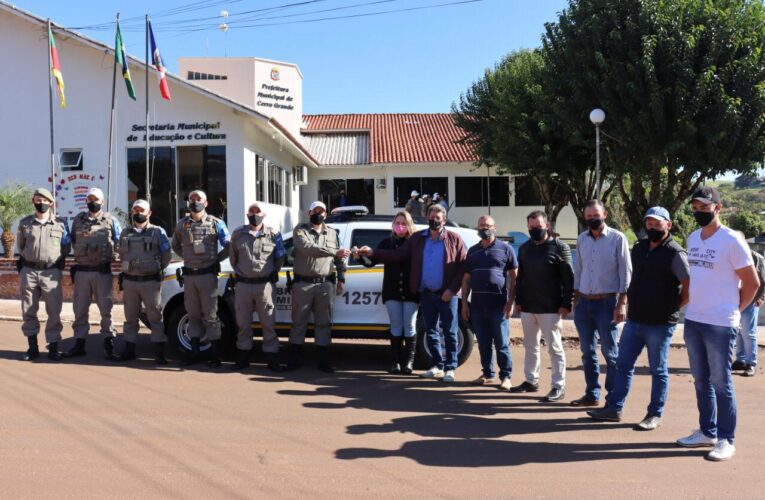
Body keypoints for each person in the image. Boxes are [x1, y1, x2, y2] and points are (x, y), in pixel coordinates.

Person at [676, 187, 760, 462]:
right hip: (695, 320)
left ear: (718, 208)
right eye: (696, 208)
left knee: (721, 382)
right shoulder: (693, 238)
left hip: (720, 324)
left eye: (704, 207)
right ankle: (706, 431)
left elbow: (753, 283)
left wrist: (735, 310)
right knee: (701, 381)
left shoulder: (732, 240)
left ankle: (726, 439)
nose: (699, 212)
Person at [587, 207, 689, 430]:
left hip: (660, 324)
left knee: (658, 370)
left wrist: (672, 308)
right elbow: (629, 279)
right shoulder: (640, 248)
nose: (652, 227)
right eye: (649, 223)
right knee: (623, 365)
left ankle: (654, 414)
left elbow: (689, 285)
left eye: (657, 223)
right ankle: (614, 408)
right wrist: (623, 303)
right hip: (635, 321)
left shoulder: (675, 252)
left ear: (668, 225)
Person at [360, 204, 467, 382]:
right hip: (426, 293)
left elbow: (463, 266)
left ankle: (450, 368)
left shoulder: (455, 239)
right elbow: (398, 254)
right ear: (427, 218)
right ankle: (436, 365)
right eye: (431, 218)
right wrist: (373, 252)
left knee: (449, 331)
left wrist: (452, 289)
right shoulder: (418, 238)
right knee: (431, 331)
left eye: (438, 218)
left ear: (444, 220)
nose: (434, 221)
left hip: (447, 294)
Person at [572, 199, 631, 406]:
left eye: (596, 215)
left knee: (610, 353)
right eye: (589, 216)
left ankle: (612, 399)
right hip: (584, 304)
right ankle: (592, 394)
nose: (593, 219)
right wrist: (576, 299)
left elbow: (626, 272)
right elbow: (578, 269)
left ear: (604, 214)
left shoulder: (617, 238)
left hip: (607, 304)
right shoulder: (581, 239)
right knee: (587, 353)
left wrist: (622, 303)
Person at [512, 210, 573, 402]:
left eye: (538, 227)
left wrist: (566, 303)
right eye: (531, 228)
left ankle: (558, 386)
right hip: (528, 307)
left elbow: (569, 279)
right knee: (530, 346)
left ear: (547, 226)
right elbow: (520, 277)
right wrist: (519, 301)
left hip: (551, 308)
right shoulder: (524, 248)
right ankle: (531, 381)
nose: (535, 230)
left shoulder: (560, 247)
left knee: (554, 348)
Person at [287, 201, 349, 373]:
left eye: (322, 212)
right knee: (299, 323)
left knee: (324, 323)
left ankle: (323, 362)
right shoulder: (300, 229)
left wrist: (341, 278)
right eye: (315, 211)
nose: (319, 214)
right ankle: (293, 360)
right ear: (309, 213)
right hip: (303, 284)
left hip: (325, 285)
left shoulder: (332, 233)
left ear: (326, 215)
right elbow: (307, 248)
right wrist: (333, 252)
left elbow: (339, 259)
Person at [171, 190, 231, 367]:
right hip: (190, 276)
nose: (195, 202)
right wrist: (188, 259)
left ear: (206, 203)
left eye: (199, 199)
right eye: (192, 199)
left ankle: (215, 354)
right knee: (193, 314)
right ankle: (194, 351)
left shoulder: (216, 223)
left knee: (211, 315)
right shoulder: (182, 224)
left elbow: (228, 245)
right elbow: (175, 245)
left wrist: (216, 260)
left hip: (207, 275)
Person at [461, 215, 516, 390]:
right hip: (477, 305)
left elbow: (515, 278)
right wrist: (464, 303)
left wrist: (511, 301)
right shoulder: (472, 251)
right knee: (483, 343)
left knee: (502, 344)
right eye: (481, 226)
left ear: (495, 227)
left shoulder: (505, 249)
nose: (485, 228)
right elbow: (466, 279)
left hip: (498, 306)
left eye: (488, 225)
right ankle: (487, 373)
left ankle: (506, 376)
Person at [229, 202, 285, 372]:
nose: (254, 214)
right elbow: (233, 258)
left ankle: (272, 357)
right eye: (251, 211)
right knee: (243, 323)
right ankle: (243, 357)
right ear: (247, 214)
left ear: (264, 214)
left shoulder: (274, 234)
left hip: (264, 286)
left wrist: (270, 273)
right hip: (244, 285)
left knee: (268, 322)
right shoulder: (238, 234)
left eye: (257, 211)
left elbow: (279, 257)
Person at [361, 211, 419, 374]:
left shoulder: (414, 243)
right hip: (392, 290)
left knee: (409, 325)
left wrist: (373, 253)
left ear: (409, 226)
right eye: (397, 223)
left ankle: (409, 363)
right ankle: (395, 362)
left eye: (403, 223)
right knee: (396, 325)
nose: (400, 226)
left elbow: (401, 257)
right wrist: (361, 256)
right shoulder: (386, 242)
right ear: (393, 225)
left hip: (411, 291)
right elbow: (371, 262)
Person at [66, 187, 121, 359]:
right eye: (90, 199)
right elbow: (73, 241)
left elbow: (119, 242)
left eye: (96, 199)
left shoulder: (111, 221)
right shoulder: (78, 220)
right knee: (80, 310)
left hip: (102, 272)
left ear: (102, 202)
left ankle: (108, 343)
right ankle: (79, 343)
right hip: (82, 273)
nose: (93, 202)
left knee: (106, 310)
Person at [114, 199, 172, 364]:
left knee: (155, 316)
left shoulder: (157, 232)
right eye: (136, 210)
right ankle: (129, 350)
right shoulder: (125, 233)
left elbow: (166, 256)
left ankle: (159, 353)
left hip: (150, 282)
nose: (138, 213)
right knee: (130, 317)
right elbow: (121, 254)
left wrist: (155, 269)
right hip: (130, 282)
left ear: (149, 213)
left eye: (142, 210)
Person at [16, 188, 70, 361]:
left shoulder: (61, 224)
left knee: (54, 311)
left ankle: (53, 347)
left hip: (51, 272)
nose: (41, 203)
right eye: (38, 200)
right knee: (29, 310)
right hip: (29, 271)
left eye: (45, 201)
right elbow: (21, 246)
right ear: (33, 201)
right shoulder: (25, 223)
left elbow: (66, 247)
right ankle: (32, 348)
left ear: (51, 203)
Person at [732, 242, 765, 377]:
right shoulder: (732, 256)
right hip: (734, 300)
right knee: (738, 332)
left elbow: (762, 280)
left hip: (750, 300)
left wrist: (760, 297)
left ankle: (751, 363)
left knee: (748, 333)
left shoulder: (756, 258)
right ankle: (741, 360)